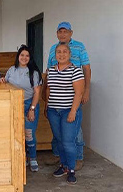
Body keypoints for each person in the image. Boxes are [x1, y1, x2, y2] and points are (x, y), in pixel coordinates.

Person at [45, 21, 91, 170]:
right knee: (58, 130)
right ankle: (59, 156)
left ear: (71, 33)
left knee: (74, 129)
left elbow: (86, 68)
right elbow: (49, 69)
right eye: (60, 32)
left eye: (65, 31)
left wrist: (86, 90)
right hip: (56, 100)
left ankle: (77, 158)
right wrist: (46, 96)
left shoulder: (79, 46)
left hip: (74, 95)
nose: (62, 34)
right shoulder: (53, 48)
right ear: (57, 33)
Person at [45, 42, 84, 184]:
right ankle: (63, 165)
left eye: (64, 52)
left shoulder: (75, 70)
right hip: (53, 111)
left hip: (68, 110)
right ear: (55, 55)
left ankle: (71, 169)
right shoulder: (51, 70)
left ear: (69, 54)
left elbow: (79, 93)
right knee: (60, 140)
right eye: (59, 52)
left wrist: (73, 111)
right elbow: (49, 89)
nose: (61, 54)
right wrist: (47, 107)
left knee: (68, 142)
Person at [0, 45, 42, 172]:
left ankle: (32, 158)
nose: (24, 58)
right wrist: (2, 80)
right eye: (22, 55)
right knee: (17, 133)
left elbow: (37, 92)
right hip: (14, 105)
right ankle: (22, 157)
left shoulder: (34, 72)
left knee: (29, 134)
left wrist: (32, 109)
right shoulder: (12, 70)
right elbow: (5, 83)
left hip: (29, 104)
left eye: (27, 56)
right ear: (18, 57)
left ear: (30, 58)